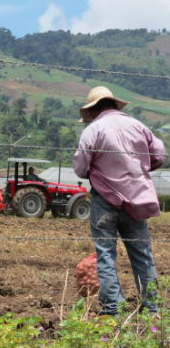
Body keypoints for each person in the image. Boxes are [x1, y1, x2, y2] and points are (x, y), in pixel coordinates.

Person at [73, 86, 166, 315]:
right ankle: (152, 308)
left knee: (105, 253)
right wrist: (140, 168)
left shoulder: (93, 130)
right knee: (142, 254)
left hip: (105, 199)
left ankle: (114, 308)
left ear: (93, 110)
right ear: (114, 104)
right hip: (137, 200)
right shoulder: (139, 127)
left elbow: (80, 167)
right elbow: (160, 155)